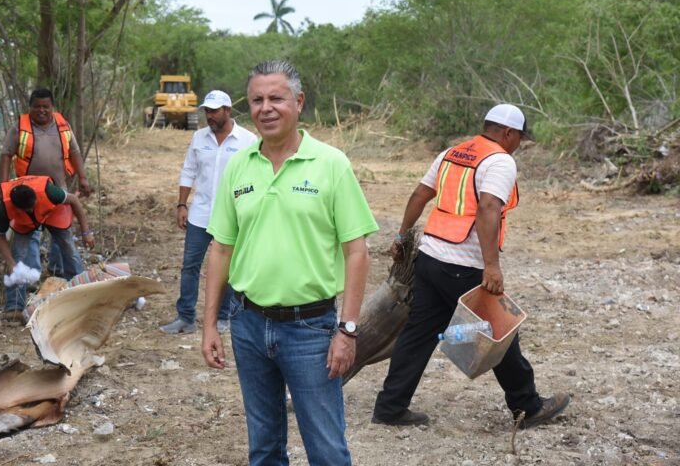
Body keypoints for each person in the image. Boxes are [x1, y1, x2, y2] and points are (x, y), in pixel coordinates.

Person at [201, 60, 379, 466]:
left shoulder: (331, 164)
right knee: (263, 448)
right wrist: (210, 324)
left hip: (311, 331)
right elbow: (221, 249)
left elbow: (357, 252)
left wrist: (347, 331)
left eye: (276, 98)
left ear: (298, 102)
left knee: (327, 450)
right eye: (257, 100)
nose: (266, 108)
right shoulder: (239, 166)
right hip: (247, 324)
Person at [372, 104, 570, 429]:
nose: (520, 143)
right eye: (520, 137)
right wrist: (491, 266)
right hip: (463, 265)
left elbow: (420, 194)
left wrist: (401, 235)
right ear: (508, 133)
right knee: (498, 332)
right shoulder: (500, 161)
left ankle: (390, 407)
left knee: (418, 334)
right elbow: (489, 207)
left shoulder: (453, 153)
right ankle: (528, 406)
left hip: (431, 259)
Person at [160, 90, 258, 335]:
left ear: (228, 111)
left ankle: (224, 316)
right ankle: (185, 317)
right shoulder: (199, 138)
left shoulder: (248, 141)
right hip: (200, 213)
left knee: (229, 267)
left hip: (232, 216)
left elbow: (257, 176)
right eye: (207, 111)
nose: (209, 116)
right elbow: (188, 171)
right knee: (190, 266)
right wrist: (182, 205)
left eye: (214, 111)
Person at [0, 88, 91, 281]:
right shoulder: (19, 128)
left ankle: (67, 277)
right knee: (28, 236)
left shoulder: (63, 127)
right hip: (27, 194)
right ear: (30, 108)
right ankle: (30, 279)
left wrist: (83, 177)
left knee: (62, 233)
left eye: (46, 107)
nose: (41, 110)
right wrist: (3, 184)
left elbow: (74, 152)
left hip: (56, 189)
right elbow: (6, 155)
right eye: (37, 106)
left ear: (52, 107)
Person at [0, 175, 94, 320]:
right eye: (27, 209)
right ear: (17, 208)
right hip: (25, 223)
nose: (30, 210)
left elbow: (74, 200)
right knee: (18, 256)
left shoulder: (49, 192)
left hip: (52, 211)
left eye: (32, 206)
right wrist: (10, 262)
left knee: (69, 248)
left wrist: (86, 232)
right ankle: (14, 306)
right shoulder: (5, 207)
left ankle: (80, 294)